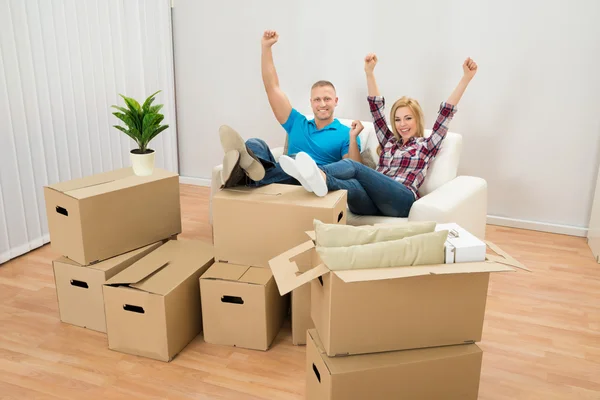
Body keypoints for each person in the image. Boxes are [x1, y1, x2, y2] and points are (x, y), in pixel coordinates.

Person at [279, 54, 478, 217]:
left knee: (354, 167)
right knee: (351, 186)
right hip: (373, 202)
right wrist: (369, 72)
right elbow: (376, 109)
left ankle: (317, 172)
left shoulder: (427, 144)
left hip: (401, 199)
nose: (402, 124)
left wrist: (466, 79)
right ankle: (318, 180)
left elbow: (446, 113)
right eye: (398, 119)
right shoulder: (389, 141)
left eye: (408, 118)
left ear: (417, 120)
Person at [219, 30, 362, 189]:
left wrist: (353, 137)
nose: (322, 104)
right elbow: (272, 88)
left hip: (307, 182)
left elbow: (353, 169)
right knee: (254, 143)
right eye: (317, 99)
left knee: (297, 161)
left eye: (327, 99)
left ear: (336, 101)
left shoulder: (346, 133)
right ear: (311, 102)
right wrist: (266, 48)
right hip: (282, 176)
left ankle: (243, 176)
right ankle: (254, 175)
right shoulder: (297, 123)